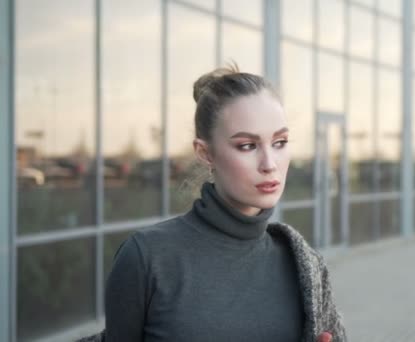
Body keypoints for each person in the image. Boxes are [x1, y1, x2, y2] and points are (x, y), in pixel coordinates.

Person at [78, 65, 346, 342]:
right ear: (205, 153)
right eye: (247, 146)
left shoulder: (304, 265)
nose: (269, 164)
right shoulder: (147, 257)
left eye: (280, 142)